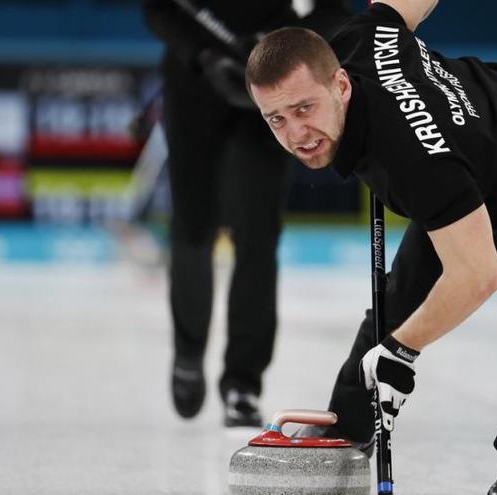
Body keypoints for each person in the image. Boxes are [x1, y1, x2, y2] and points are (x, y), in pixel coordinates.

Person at [244, 0, 497, 492]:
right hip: (492, 171)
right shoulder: (362, 35)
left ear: (341, 85)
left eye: (304, 108)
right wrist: (395, 335)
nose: (297, 134)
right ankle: (348, 428)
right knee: (399, 298)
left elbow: (476, 277)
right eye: (276, 119)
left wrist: (402, 351)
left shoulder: (417, 160)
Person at [140, 0, 349, 427]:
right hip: (195, 85)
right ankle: (188, 351)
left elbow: (334, 10)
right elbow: (159, 9)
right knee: (193, 226)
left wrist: (276, 47)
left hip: (271, 90)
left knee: (257, 237)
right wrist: (203, 55)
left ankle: (242, 383)